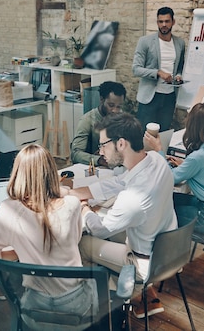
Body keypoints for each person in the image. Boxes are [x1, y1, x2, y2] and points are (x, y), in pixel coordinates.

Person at [66, 113, 177, 319]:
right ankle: (142, 294)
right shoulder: (155, 160)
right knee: (110, 233)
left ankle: (99, 308)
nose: (100, 151)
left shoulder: (132, 198)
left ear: (121, 144)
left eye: (103, 145)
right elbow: (120, 182)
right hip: (166, 249)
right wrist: (80, 192)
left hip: (143, 264)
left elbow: (99, 228)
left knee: (81, 242)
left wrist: (83, 208)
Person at [0, 144, 92, 324]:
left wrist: (20, 251)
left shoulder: (8, 211)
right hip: (77, 308)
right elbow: (73, 240)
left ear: (17, 174)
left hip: (36, 310)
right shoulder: (72, 204)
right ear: (53, 173)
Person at [144, 102, 204, 238]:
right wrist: (186, 165)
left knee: (158, 213)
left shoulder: (198, 158)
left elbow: (170, 177)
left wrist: (159, 150)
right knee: (166, 201)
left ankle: (158, 254)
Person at [132, 6, 186, 132]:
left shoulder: (180, 43)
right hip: (150, 97)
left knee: (164, 133)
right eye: (160, 22)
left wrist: (178, 75)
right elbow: (136, 69)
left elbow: (180, 67)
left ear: (173, 22)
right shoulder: (145, 41)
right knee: (144, 135)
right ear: (157, 22)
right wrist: (158, 73)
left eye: (167, 21)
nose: (164, 25)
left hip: (169, 97)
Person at [70, 81, 127, 167]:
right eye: (111, 105)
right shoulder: (87, 120)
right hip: (96, 168)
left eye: (119, 106)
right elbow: (75, 154)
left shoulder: (122, 118)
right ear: (101, 99)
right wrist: (99, 160)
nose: (115, 110)